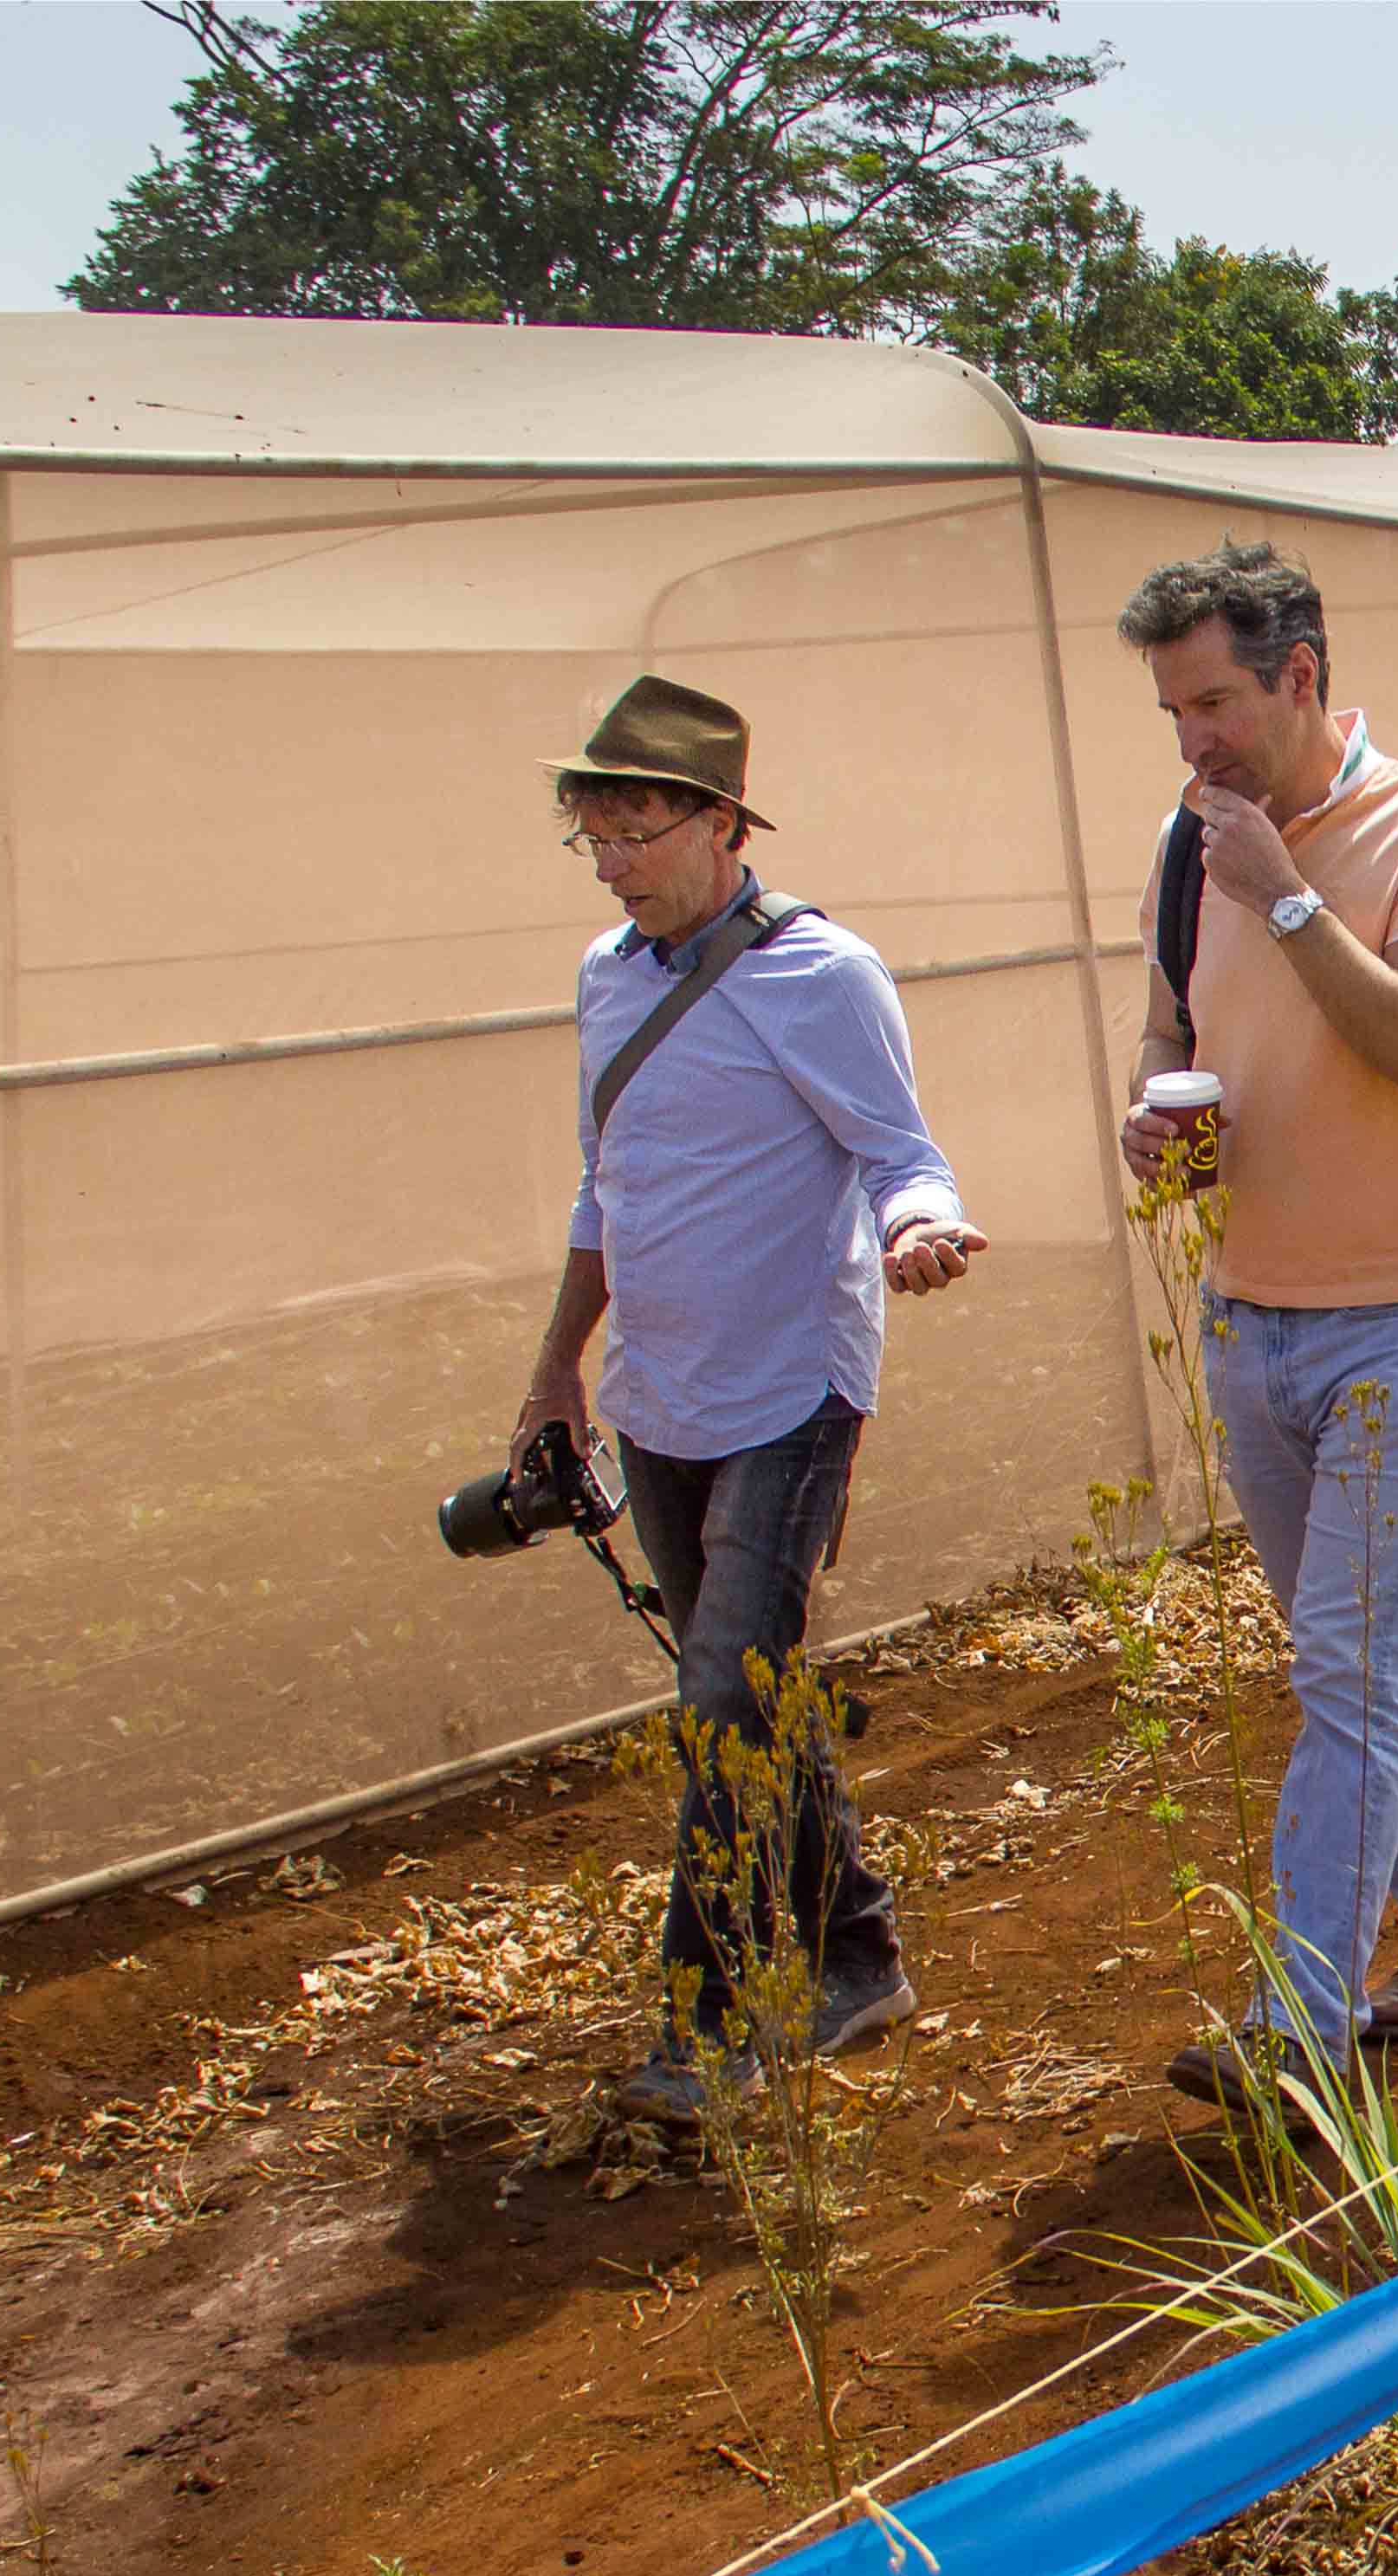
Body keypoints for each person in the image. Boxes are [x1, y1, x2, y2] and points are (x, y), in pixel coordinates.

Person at [515, 674, 986, 2122]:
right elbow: (612, 1186)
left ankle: (708, 2019)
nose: (609, 854)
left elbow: (901, 1148)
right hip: (658, 1392)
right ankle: (857, 1954)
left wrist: (919, 1225)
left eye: (634, 822)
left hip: (791, 1386)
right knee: (750, 1698)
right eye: (590, 826)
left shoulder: (822, 975)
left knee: (724, 1699)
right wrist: (558, 1364)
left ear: (721, 820)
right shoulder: (608, 975)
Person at [1110, 541, 1398, 2109]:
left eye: (1213, 701)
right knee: (1371, 1663)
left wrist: (1282, 897)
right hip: (1249, 1320)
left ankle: (1305, 2016)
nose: (1192, 740)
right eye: (1171, 712)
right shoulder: (1177, 848)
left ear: (1300, 674)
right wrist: (1149, 1115)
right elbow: (1169, 1025)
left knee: (1345, 1665)